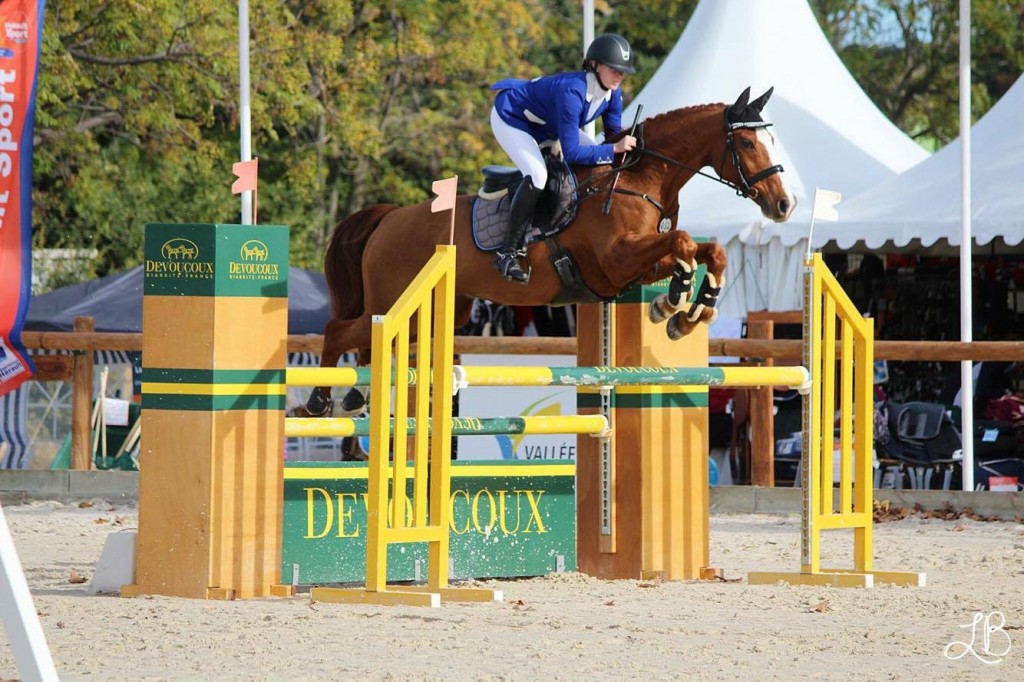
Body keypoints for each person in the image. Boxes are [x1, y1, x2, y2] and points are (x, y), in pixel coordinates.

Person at [489, 32, 638, 283]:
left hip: (548, 124)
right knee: (538, 175)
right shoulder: (573, 92)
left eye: (622, 71)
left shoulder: (613, 93)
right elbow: (573, 153)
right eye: (613, 69)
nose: (619, 75)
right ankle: (508, 252)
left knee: (600, 165)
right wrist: (613, 149)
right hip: (512, 117)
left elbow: (613, 136)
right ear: (595, 65)